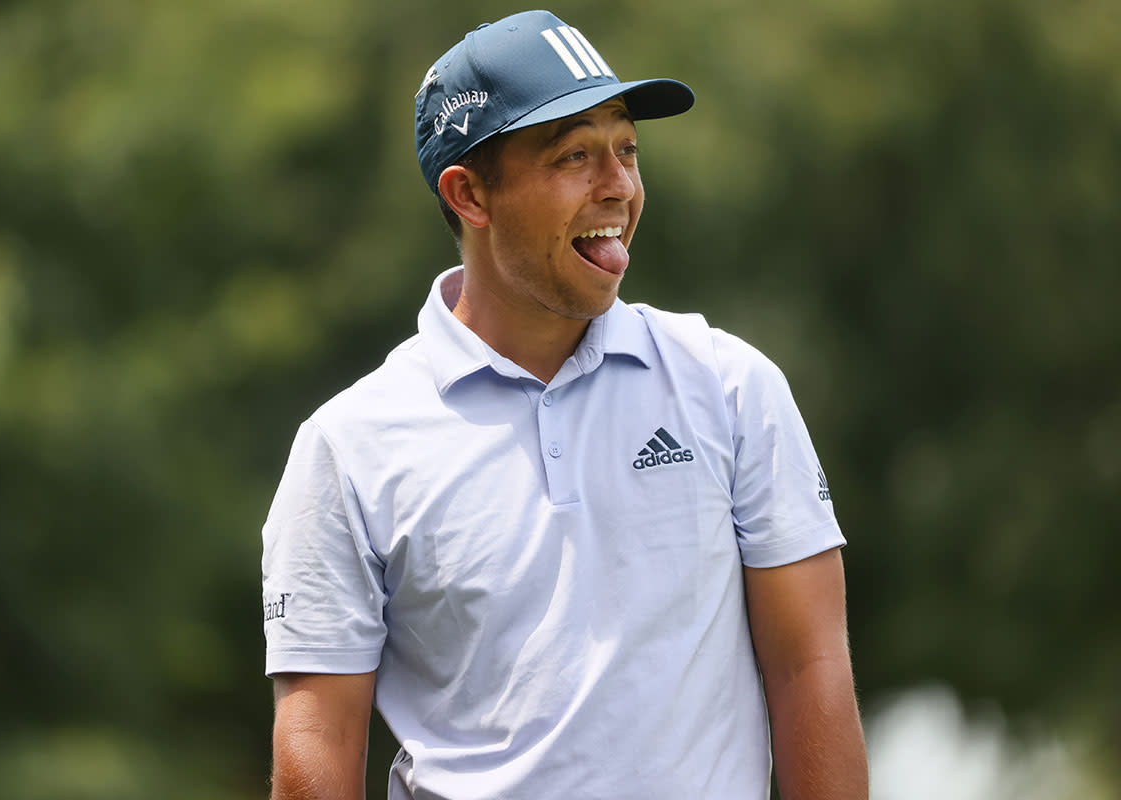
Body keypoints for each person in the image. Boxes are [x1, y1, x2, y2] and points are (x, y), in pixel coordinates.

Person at [262, 10, 868, 800]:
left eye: (626, 149)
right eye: (575, 156)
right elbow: (318, 742)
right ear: (470, 194)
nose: (618, 185)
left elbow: (810, 669)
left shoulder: (729, 386)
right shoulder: (347, 447)